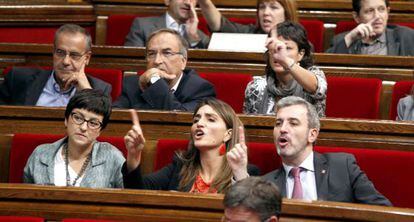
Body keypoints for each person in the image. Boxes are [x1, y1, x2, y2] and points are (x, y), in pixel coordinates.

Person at [234, 96, 392, 206]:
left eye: (293, 123)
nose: (282, 129)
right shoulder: (266, 183)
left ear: (312, 134)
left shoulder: (342, 166)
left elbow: (381, 211)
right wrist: (241, 173)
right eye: (278, 123)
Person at [122, 98, 259, 193]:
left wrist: (240, 173)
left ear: (228, 134)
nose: (199, 124)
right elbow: (137, 191)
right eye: (196, 120)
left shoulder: (246, 172)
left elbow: (251, 212)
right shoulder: (179, 166)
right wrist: (133, 156)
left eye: (210, 119)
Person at [23, 89, 125, 188]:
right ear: (66, 120)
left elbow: (131, 196)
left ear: (100, 130)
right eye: (78, 118)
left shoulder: (112, 157)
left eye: (93, 123)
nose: (83, 127)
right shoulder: (40, 154)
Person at [0, 24, 111, 107]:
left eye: (74, 55)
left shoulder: (99, 89)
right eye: (60, 53)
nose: (66, 61)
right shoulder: (19, 79)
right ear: (53, 52)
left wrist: (86, 92)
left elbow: (101, 126)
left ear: (86, 58)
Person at [113, 29, 215, 111]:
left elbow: (178, 119)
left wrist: (154, 81)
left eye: (167, 53)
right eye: (152, 54)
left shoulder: (200, 89)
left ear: (183, 61)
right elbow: (115, 117)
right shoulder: (132, 85)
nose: (157, 61)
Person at [243, 21, 327, 117]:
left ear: (301, 54)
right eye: (275, 47)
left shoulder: (315, 75)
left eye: (287, 48)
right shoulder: (256, 87)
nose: (279, 52)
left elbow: (316, 89)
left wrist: (285, 60)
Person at [327, 0, 414, 56]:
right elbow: (324, 72)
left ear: (388, 12)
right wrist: (350, 38)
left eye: (381, 9)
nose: (377, 16)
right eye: (370, 11)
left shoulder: (407, 37)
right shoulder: (343, 40)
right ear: (356, 17)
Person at [124, 0, 209, 48]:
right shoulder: (142, 26)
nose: (187, 2)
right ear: (167, 1)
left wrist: (193, 38)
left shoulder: (201, 37)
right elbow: (132, 64)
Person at [198, 0, 298, 34]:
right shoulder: (250, 32)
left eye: (273, 7)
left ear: (287, 13)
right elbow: (219, 25)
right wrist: (205, 2)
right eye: (262, 7)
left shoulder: (298, 42)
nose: (266, 12)